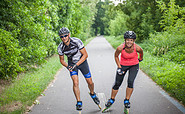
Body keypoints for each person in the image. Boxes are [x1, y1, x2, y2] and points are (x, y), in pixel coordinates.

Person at [57, 27, 100, 111]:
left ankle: (92, 93)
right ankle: (79, 102)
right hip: (71, 63)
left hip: (82, 62)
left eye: (65, 35)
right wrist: (67, 66)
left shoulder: (76, 41)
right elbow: (62, 60)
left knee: (89, 82)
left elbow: (85, 55)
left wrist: (76, 64)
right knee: (75, 82)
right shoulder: (60, 47)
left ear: (69, 35)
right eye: (61, 36)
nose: (64, 38)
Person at [105, 31, 143, 110]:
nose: (129, 42)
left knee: (130, 82)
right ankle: (112, 99)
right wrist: (119, 67)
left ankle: (127, 100)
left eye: (131, 40)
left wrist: (140, 58)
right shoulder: (120, 48)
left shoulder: (137, 48)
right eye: (128, 40)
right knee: (117, 83)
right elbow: (116, 56)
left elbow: (141, 52)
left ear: (134, 41)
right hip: (123, 65)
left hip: (134, 65)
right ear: (125, 40)